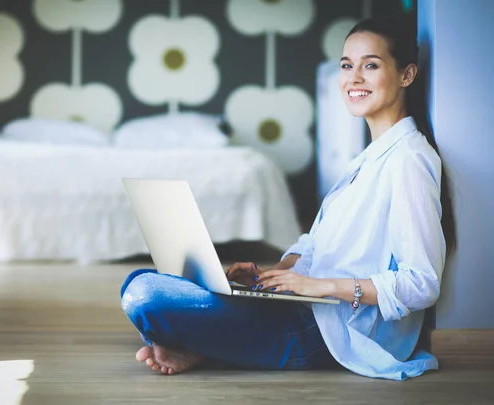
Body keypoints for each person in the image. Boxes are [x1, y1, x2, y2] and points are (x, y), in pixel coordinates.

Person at [119, 16, 456, 381]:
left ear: (407, 75)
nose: (354, 78)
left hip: (334, 334)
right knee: (136, 279)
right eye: (347, 66)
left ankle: (199, 345)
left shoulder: (409, 160)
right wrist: (277, 273)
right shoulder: (370, 158)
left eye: (370, 65)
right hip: (309, 310)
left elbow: (421, 283)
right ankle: (203, 345)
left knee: (144, 294)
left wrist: (321, 287)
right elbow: (319, 245)